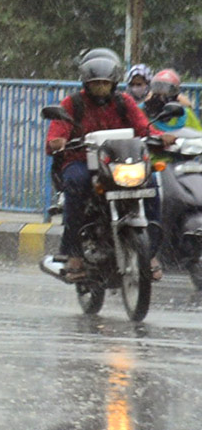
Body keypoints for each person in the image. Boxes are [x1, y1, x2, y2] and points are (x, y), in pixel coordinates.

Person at [46, 49, 173, 282]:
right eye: (96, 85)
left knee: (151, 182)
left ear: (113, 83)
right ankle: (74, 254)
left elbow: (143, 127)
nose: (101, 89)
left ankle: (151, 253)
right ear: (87, 83)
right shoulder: (72, 103)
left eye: (105, 84)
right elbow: (57, 131)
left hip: (119, 162)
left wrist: (160, 137)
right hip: (82, 161)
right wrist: (58, 141)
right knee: (77, 183)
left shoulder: (124, 102)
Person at [142, 68, 202, 134]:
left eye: (167, 90)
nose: (161, 95)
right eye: (158, 88)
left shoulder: (185, 113)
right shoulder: (143, 109)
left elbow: (198, 135)